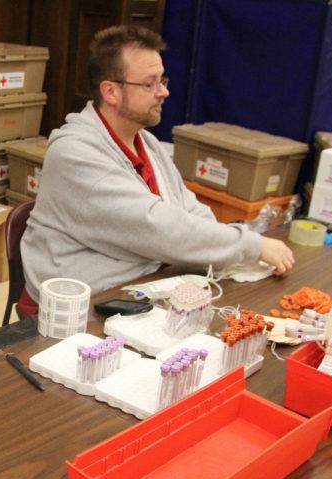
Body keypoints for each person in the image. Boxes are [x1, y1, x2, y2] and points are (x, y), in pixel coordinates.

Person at [19, 25, 294, 310]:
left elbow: (189, 210)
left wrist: (225, 252)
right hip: (73, 305)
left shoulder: (147, 143)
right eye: (149, 84)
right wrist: (250, 246)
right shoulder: (74, 153)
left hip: (137, 285)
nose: (163, 92)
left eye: (162, 80)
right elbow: (156, 228)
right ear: (111, 91)